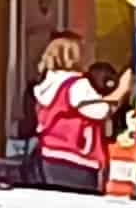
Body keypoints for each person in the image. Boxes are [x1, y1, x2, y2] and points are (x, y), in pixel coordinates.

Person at [29, 34, 114, 193]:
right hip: (78, 158)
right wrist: (121, 92)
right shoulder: (78, 86)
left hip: (49, 155)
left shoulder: (45, 85)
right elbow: (101, 111)